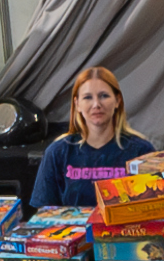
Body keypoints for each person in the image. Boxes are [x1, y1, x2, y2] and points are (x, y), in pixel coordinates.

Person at [30, 66, 155, 208]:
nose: (96, 104)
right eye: (88, 97)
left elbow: (156, 208)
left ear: (117, 101)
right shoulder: (57, 152)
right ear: (77, 104)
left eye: (104, 96)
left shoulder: (142, 152)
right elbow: (44, 211)